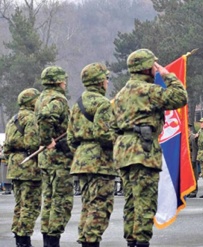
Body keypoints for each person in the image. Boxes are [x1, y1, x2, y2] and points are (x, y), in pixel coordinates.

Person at [111, 49, 188, 247]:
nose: (155, 68)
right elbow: (180, 97)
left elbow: (112, 126)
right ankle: (142, 242)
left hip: (124, 152)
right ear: (146, 68)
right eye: (153, 65)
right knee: (145, 200)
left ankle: (131, 240)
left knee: (130, 201)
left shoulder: (120, 95)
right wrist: (167, 75)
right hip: (143, 151)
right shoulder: (148, 91)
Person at [67, 63, 117, 247]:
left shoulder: (77, 104)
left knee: (88, 206)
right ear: (99, 81)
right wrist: (119, 139)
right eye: (105, 78)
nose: (107, 81)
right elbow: (103, 134)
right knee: (100, 207)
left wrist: (82, 153)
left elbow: (70, 138)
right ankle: (91, 242)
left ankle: (85, 240)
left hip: (81, 161)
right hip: (100, 162)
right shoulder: (103, 104)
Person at [35, 66, 74, 247]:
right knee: (61, 203)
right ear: (58, 81)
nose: (65, 82)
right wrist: (47, 139)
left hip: (46, 160)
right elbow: (45, 117)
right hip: (58, 158)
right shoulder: (57, 99)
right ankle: (53, 242)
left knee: (49, 202)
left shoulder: (42, 97)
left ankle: (48, 241)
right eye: (63, 79)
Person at [3, 88, 41, 247]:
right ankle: (24, 239)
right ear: (32, 102)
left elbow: (6, 147)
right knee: (30, 206)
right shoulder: (31, 118)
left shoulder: (13, 119)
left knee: (19, 204)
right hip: (29, 166)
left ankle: (18, 235)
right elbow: (33, 144)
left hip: (15, 165)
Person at [187, 124, 199, 198]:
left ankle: (194, 191)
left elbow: (194, 149)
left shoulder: (192, 137)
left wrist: (194, 159)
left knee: (194, 175)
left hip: (192, 157)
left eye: (187, 128)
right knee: (188, 176)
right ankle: (189, 190)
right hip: (186, 158)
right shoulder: (184, 136)